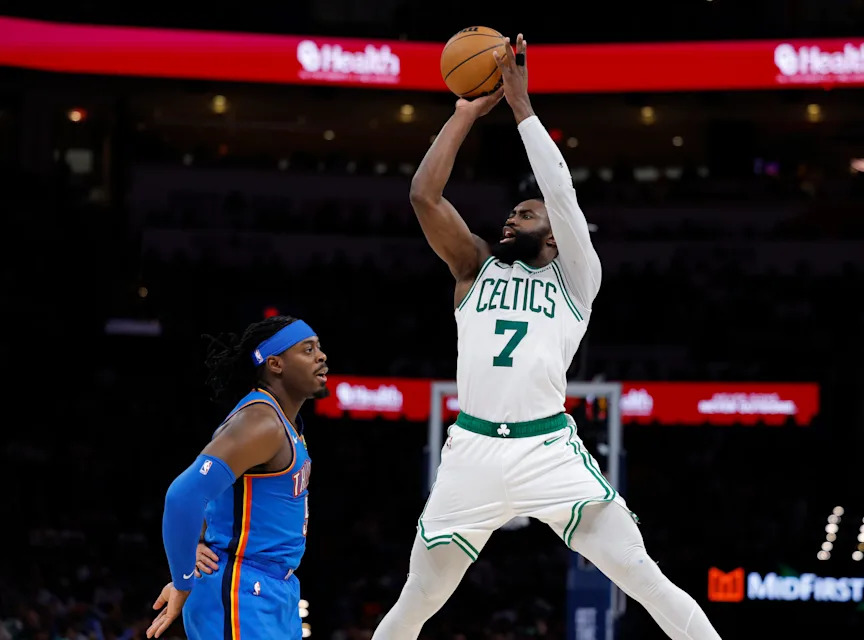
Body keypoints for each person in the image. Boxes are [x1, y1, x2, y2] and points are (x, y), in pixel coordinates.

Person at [372, 35, 723, 640]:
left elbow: (562, 193)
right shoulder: (472, 268)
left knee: (642, 574)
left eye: (526, 213)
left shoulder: (576, 279)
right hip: (473, 453)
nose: (512, 216)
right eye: (511, 211)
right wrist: (462, 116)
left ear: (556, 235)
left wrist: (522, 107)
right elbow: (423, 196)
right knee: (417, 600)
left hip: (548, 451)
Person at [146, 315, 329, 639]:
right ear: (275, 364)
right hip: (240, 587)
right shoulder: (261, 422)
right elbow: (183, 496)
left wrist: (202, 537)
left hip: (274, 587)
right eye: (308, 349)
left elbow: (222, 495)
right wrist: (183, 578)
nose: (321, 356)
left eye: (319, 347)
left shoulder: (284, 423)